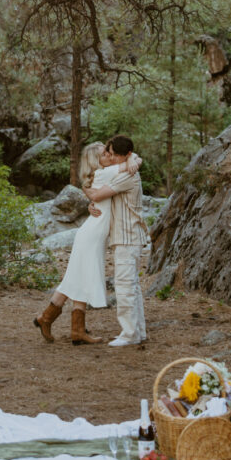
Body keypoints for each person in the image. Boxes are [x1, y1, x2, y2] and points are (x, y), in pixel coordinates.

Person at [33, 142, 140, 345]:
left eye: (109, 153)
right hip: (91, 236)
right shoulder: (105, 173)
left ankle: (68, 327)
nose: (109, 156)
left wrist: (133, 158)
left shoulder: (101, 174)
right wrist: (133, 157)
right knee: (75, 279)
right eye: (104, 154)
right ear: (95, 160)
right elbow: (130, 162)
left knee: (76, 279)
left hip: (92, 234)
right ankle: (51, 321)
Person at [84, 134, 147, 347]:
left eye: (113, 154)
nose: (110, 157)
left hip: (127, 237)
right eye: (108, 153)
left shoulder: (126, 175)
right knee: (132, 285)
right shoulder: (127, 166)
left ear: (125, 155)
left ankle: (129, 334)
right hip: (126, 236)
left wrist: (92, 199)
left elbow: (98, 194)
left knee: (125, 285)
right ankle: (138, 331)